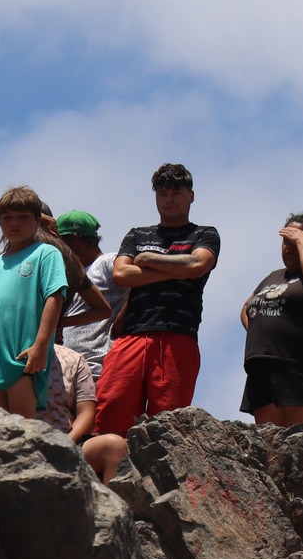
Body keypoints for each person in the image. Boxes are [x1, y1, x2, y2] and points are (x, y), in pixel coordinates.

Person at [95, 163, 222, 436]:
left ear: (191, 195)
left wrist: (149, 260)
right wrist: (176, 271)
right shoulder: (137, 234)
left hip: (178, 335)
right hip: (132, 335)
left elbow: (198, 265)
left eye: (176, 192)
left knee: (170, 424)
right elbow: (121, 274)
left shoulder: (204, 234)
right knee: (111, 407)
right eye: (162, 193)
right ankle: (109, 476)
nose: (169, 199)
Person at [0, 186, 69, 418]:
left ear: (37, 220)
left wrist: (41, 345)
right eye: (7, 218)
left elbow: (54, 298)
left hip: (24, 358)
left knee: (22, 429)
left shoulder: (46, 253)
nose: (14, 223)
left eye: (23, 217)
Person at [238, 213, 303, 426]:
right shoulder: (274, 276)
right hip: (262, 365)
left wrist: (302, 241)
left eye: (294, 241)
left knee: (301, 442)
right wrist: (263, 334)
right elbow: (247, 308)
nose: (288, 247)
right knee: (268, 445)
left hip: (298, 366)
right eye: (286, 241)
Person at [55, 210, 123, 381]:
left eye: (59, 242)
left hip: (96, 365)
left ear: (74, 239)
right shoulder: (72, 275)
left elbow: (142, 286)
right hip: (67, 367)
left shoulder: (108, 261)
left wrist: (119, 327)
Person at [41, 342, 98, 442]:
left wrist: (67, 443)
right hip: (17, 441)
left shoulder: (73, 359)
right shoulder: (7, 357)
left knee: (113, 444)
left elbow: (86, 412)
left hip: (66, 440)